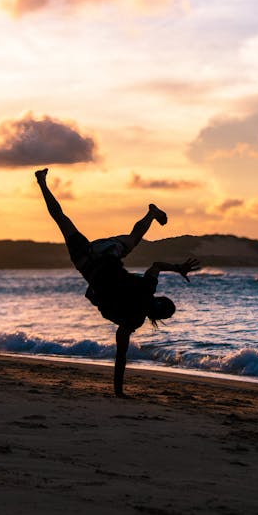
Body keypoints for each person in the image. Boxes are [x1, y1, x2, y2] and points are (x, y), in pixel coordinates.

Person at [34, 168, 200, 396]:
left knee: (131, 240)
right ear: (157, 318)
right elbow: (120, 354)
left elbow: (156, 265)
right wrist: (118, 391)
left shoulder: (146, 290)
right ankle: (42, 183)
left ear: (159, 299)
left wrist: (178, 268)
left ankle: (151, 214)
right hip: (87, 262)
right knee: (61, 220)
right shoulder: (134, 320)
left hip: (107, 254)